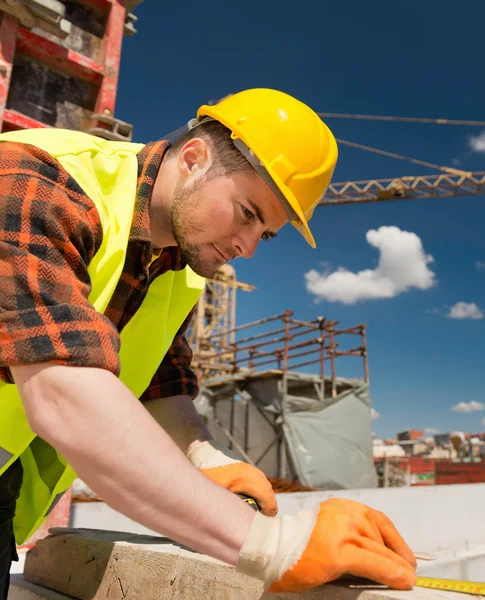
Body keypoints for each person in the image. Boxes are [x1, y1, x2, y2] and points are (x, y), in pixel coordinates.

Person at [0, 88, 417, 596]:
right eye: (247, 212)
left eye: (263, 233)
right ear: (194, 159)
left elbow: (158, 383)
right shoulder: (35, 177)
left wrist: (203, 459)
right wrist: (272, 545)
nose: (246, 246)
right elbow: (63, 390)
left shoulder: (180, 270)